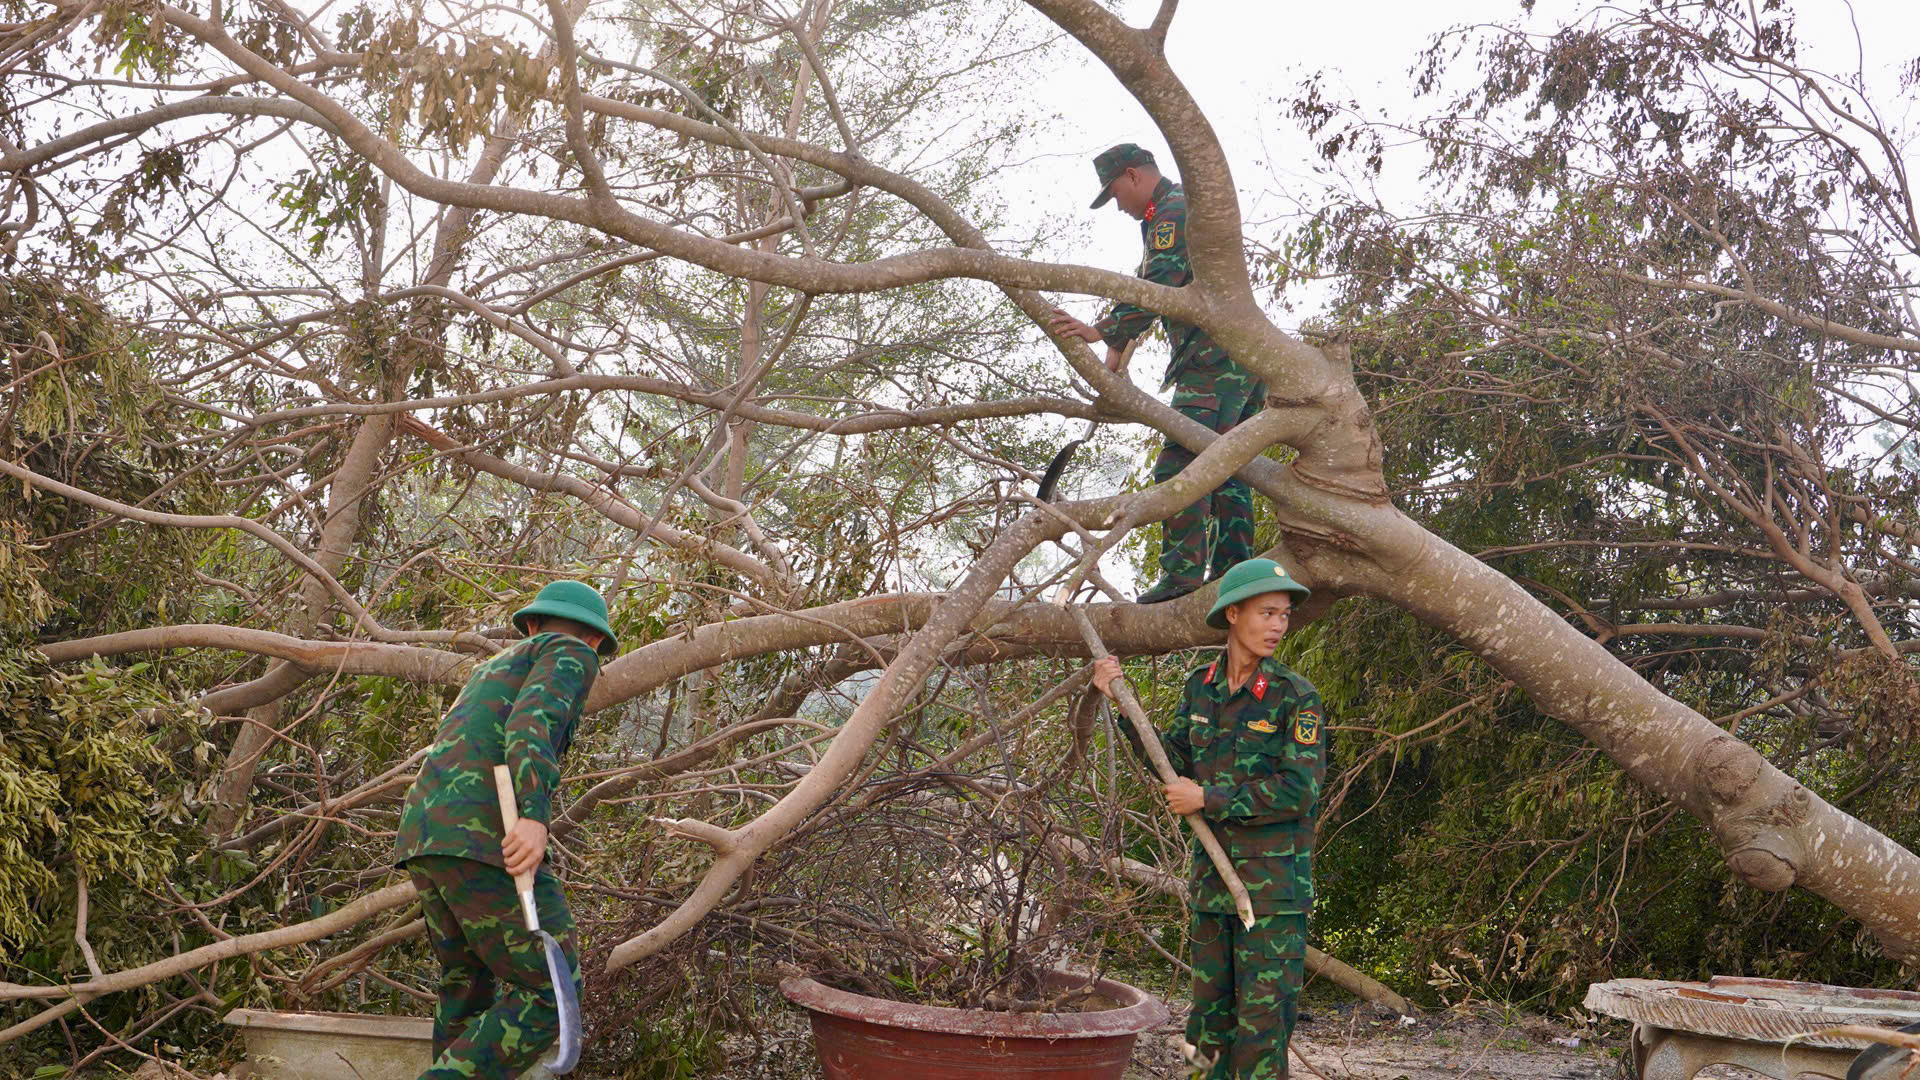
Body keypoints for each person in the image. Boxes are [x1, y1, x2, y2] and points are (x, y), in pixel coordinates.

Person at [1093, 558, 1325, 1079]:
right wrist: (1125, 707)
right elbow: (1172, 762)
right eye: (1267, 613)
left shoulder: (1295, 696)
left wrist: (1210, 798)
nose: (1278, 625)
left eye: (1284, 615)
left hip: (1271, 891)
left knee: (1262, 1026)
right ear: (1233, 614)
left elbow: (1299, 790)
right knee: (1204, 1021)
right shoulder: (1202, 687)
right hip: (1212, 885)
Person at [393, 579, 619, 1080]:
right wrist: (535, 817)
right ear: (597, 641)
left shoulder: (490, 668)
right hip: (485, 835)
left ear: (531, 625)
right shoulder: (573, 653)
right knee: (551, 991)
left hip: (425, 836)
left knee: (466, 986)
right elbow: (530, 727)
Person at [1049, 143, 1265, 604]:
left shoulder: (1171, 210)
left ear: (1132, 176)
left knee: (1180, 464)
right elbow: (1148, 278)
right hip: (1244, 359)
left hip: (1214, 362)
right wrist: (1118, 343)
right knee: (1226, 467)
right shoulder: (1169, 212)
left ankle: (1183, 577)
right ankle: (1235, 573)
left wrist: (1103, 329)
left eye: (1114, 194)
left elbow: (1161, 283)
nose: (1118, 207)